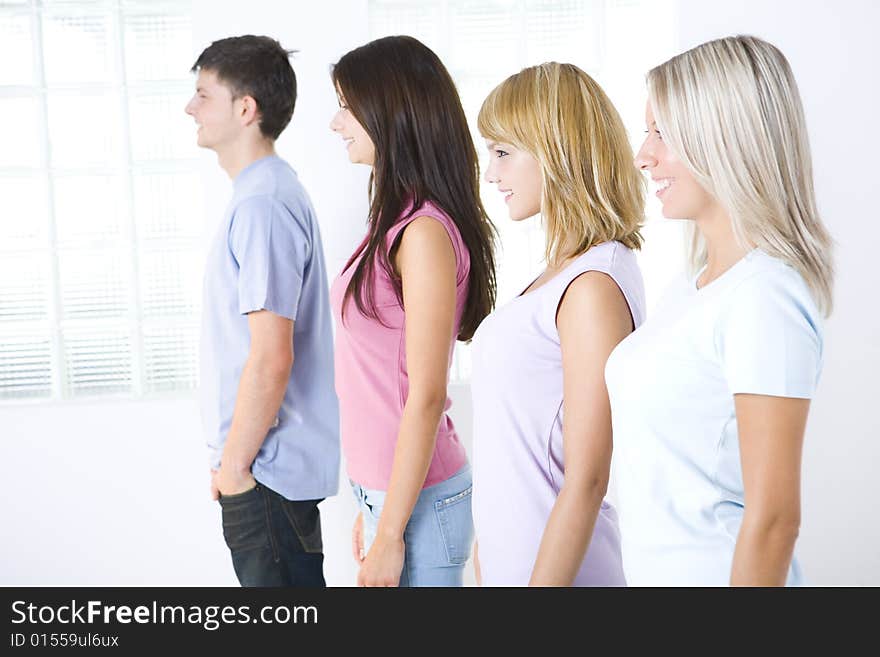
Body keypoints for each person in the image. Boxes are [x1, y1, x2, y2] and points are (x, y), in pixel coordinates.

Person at [605, 35, 834, 586]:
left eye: (663, 133)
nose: (643, 155)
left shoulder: (765, 297)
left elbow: (775, 520)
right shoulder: (693, 287)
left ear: (724, 137)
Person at [328, 35, 497, 587]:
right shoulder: (396, 220)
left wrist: (391, 531)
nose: (336, 123)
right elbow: (380, 376)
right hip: (393, 495)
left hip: (419, 506)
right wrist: (374, 506)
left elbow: (424, 394)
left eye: (348, 108)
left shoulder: (423, 232)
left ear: (391, 112)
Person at [471, 62, 646, 586]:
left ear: (557, 151)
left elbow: (589, 476)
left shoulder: (594, 283)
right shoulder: (562, 274)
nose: (490, 173)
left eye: (503, 152)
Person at [186, 35, 339, 587]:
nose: (190, 108)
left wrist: (235, 465)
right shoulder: (262, 194)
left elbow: (271, 357)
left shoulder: (263, 204)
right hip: (259, 466)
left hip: (265, 473)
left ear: (245, 108)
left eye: (203, 94)